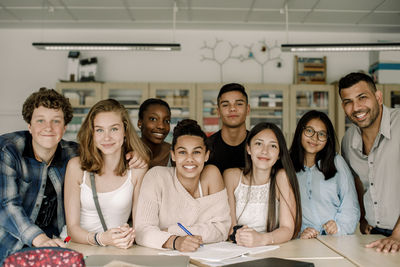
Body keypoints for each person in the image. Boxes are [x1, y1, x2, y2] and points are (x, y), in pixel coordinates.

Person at [0, 88, 147, 263]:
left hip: (56, 243)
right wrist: (40, 240)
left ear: (65, 127)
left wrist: (135, 154)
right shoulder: (8, 150)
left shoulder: (72, 153)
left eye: (56, 121)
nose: (48, 127)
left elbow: (104, 148)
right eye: (40, 120)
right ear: (29, 126)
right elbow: (6, 205)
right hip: (11, 243)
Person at [64, 99, 149, 248]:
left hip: (118, 249)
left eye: (114, 129)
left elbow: (140, 225)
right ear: (92, 134)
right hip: (77, 246)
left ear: (125, 131)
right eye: (99, 130)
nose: (107, 137)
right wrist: (101, 239)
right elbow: (72, 229)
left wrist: (128, 234)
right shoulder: (76, 167)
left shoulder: (137, 170)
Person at [135, 119, 231, 252]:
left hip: (206, 257)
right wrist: (175, 241)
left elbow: (221, 230)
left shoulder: (211, 176)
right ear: (173, 155)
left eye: (196, 152)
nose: (190, 158)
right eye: (182, 152)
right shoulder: (156, 177)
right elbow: (142, 231)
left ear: (206, 155)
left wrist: (170, 231)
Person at [339, 72, 400, 253]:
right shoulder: (348, 140)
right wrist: (363, 218)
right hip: (376, 235)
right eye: (348, 101)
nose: (356, 107)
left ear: (378, 97)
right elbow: (356, 181)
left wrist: (397, 234)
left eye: (362, 97)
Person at [223, 122, 302, 247]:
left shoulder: (281, 178)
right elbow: (230, 227)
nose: (264, 151)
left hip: (273, 249)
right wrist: (241, 236)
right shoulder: (231, 176)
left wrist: (261, 239)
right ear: (248, 148)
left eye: (273, 146)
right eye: (258, 144)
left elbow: (287, 229)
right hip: (237, 249)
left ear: (279, 154)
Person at [289, 110, 360, 239]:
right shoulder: (288, 167)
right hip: (303, 242)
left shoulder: (336, 162)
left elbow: (351, 204)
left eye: (321, 134)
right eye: (309, 131)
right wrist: (299, 233)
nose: (315, 138)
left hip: (336, 240)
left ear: (328, 139)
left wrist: (338, 227)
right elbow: (282, 211)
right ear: (300, 131)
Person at [206, 83, 250, 175]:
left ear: (248, 109)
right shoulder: (207, 147)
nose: (232, 108)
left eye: (239, 104)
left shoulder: (258, 146)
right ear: (218, 111)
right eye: (225, 105)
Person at [137, 98, 171, 168]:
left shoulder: (174, 153)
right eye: (153, 119)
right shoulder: (126, 151)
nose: (161, 126)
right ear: (140, 123)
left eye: (166, 121)